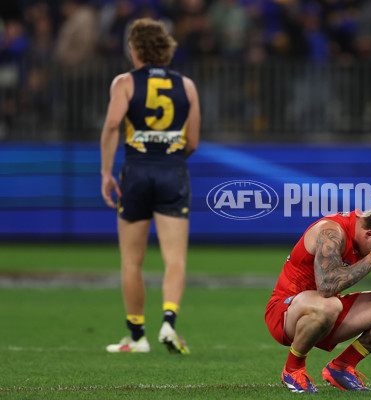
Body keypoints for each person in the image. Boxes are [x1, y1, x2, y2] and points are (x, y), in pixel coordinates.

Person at [100, 18, 200, 354]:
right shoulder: (186, 86)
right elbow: (193, 142)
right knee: (175, 260)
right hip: (172, 171)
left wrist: (106, 172)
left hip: (137, 172)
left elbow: (113, 123)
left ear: (134, 49)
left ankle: (137, 335)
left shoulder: (125, 82)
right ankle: (169, 324)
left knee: (131, 261)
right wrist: (168, 153)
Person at [265, 204, 371, 392]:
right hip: (286, 312)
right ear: (370, 234)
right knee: (330, 305)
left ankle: (341, 368)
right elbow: (326, 287)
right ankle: (293, 369)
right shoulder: (331, 231)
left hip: (328, 311)